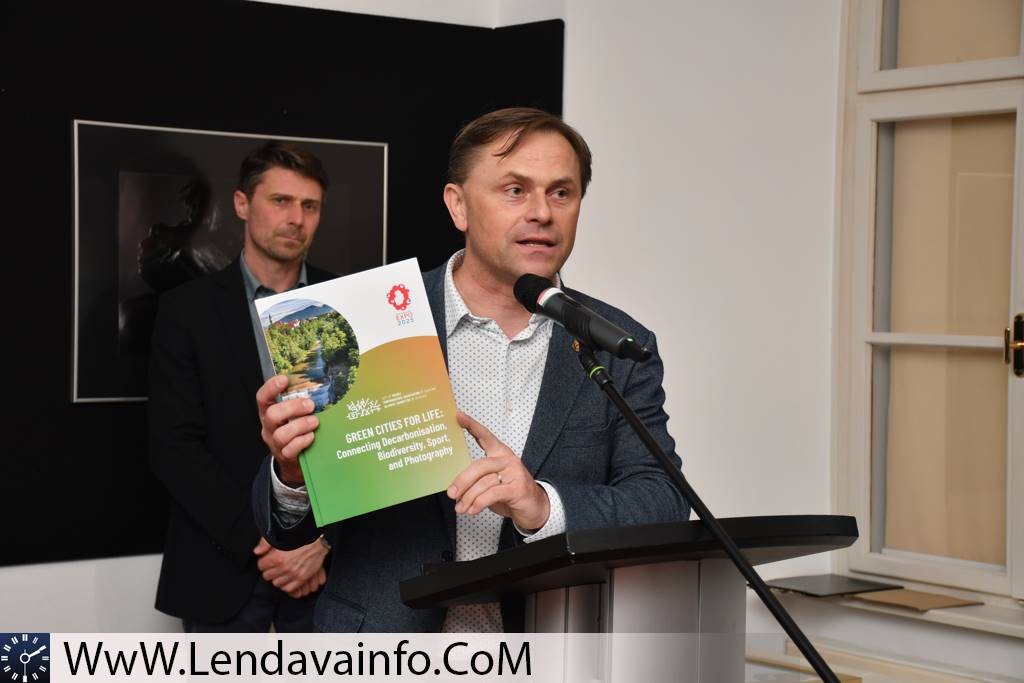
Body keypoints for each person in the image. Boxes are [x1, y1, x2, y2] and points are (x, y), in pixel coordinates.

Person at [253, 108, 690, 632]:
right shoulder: (367, 324)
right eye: (514, 190)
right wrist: (293, 473)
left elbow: (663, 499)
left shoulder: (616, 344)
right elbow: (287, 531)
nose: (542, 213)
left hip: (549, 647)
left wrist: (542, 505)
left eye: (561, 193)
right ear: (457, 205)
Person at [149, 141, 335, 632]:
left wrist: (320, 543)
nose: (296, 218)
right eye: (280, 201)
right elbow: (173, 446)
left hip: (324, 569)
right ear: (241, 204)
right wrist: (269, 540)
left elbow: (369, 436)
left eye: (310, 205)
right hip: (223, 561)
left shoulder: (344, 300)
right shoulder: (186, 310)